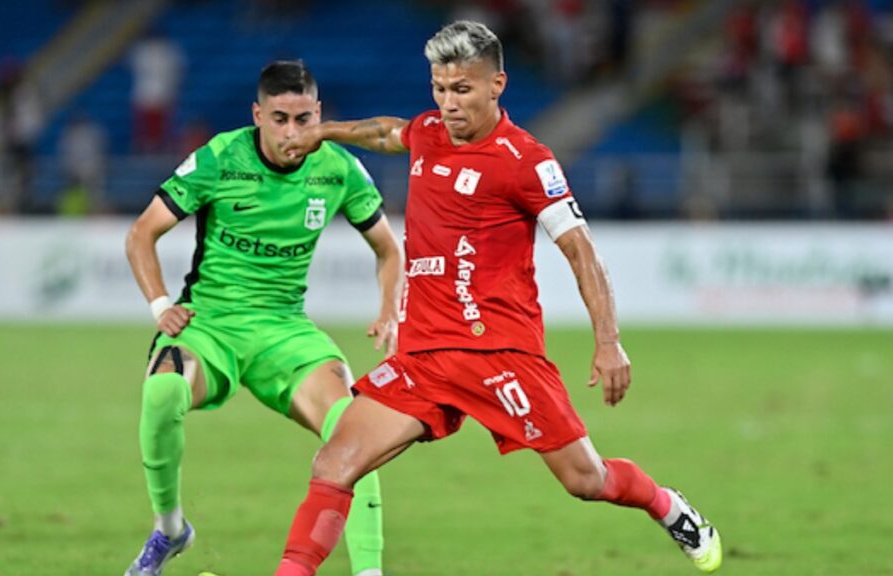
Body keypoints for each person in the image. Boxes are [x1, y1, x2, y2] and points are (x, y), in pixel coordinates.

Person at [272, 21, 722, 576]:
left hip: (502, 355)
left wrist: (609, 342)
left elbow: (581, 250)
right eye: (438, 88)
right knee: (333, 463)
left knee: (587, 481)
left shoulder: (525, 160)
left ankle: (666, 504)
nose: (447, 103)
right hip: (426, 356)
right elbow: (391, 133)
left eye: (461, 90)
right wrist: (326, 132)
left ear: (497, 84)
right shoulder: (430, 131)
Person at [123, 60, 401, 576]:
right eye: (279, 119)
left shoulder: (337, 168)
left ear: (318, 114)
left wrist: (389, 311)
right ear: (258, 115)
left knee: (356, 429)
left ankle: (370, 573)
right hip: (211, 326)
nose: (292, 133)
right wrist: (162, 305)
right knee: (161, 393)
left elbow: (388, 249)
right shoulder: (220, 158)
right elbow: (142, 233)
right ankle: (170, 530)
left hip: (285, 332)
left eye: (302, 119)